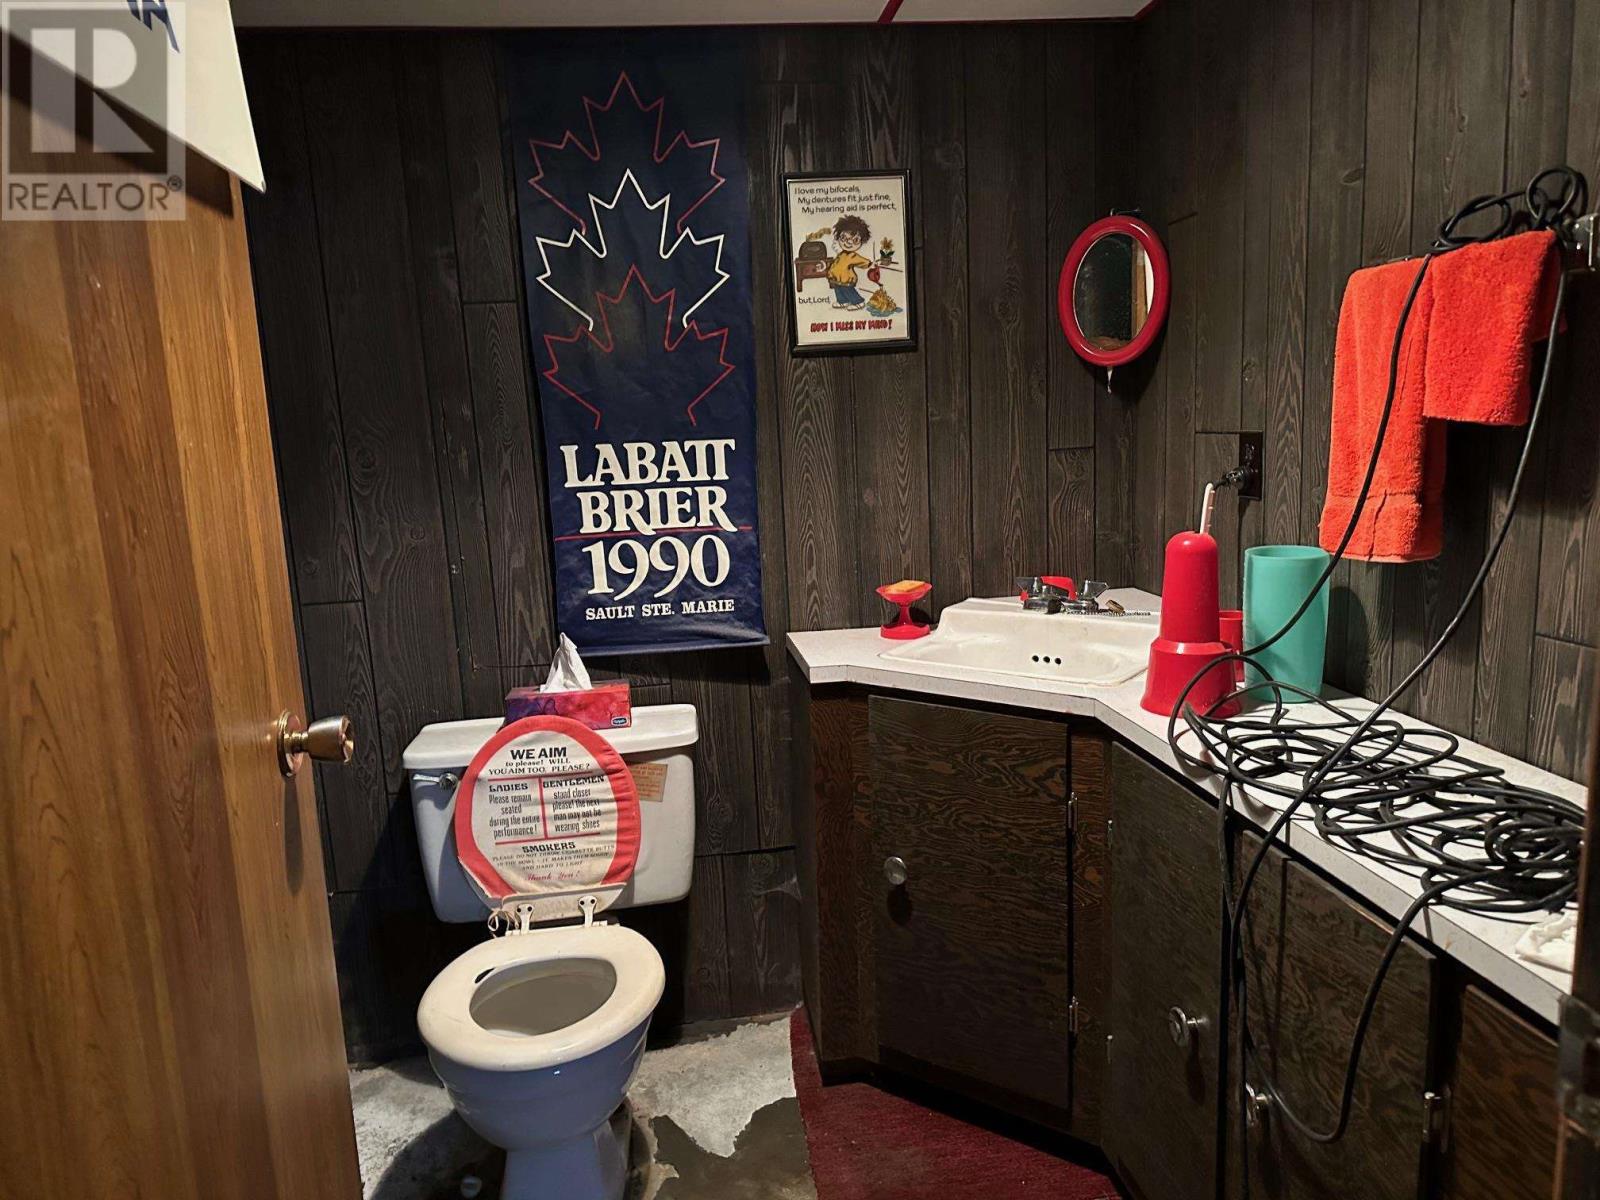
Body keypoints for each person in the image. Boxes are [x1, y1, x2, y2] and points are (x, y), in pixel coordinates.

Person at [825, 214, 873, 310]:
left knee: (848, 291)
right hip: (836, 279)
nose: (849, 242)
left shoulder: (852, 256)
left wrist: (870, 264)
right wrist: (830, 272)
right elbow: (836, 264)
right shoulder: (841, 254)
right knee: (838, 290)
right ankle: (842, 301)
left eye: (855, 240)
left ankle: (858, 301)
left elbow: (862, 261)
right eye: (844, 238)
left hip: (846, 279)